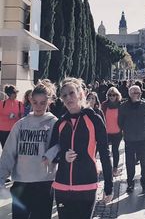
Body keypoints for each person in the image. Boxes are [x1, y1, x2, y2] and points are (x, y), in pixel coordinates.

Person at [49, 77, 113, 219]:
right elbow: (51, 152)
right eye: (64, 95)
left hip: (86, 184)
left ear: (80, 94)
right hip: (62, 185)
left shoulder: (94, 118)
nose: (68, 97)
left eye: (71, 93)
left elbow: (104, 153)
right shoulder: (60, 123)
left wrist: (109, 185)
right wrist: (62, 156)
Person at [0, 80, 58, 219]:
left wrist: (51, 154)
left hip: (44, 182)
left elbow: (61, 144)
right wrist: (1, 177)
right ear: (30, 100)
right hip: (21, 182)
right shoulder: (21, 124)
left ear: (49, 102)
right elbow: (9, 152)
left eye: (43, 103)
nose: (38, 106)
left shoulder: (54, 123)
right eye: (35, 102)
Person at [118, 85, 145, 193]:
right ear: (130, 94)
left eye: (138, 92)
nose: (137, 94)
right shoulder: (123, 106)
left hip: (142, 138)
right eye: (134, 92)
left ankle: (144, 181)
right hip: (130, 138)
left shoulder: (144, 105)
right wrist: (126, 130)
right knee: (130, 162)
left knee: (144, 161)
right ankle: (130, 182)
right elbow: (120, 122)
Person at [101, 87, 123, 177]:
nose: (112, 97)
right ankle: (107, 168)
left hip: (117, 132)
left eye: (113, 95)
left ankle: (115, 169)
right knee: (105, 152)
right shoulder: (104, 105)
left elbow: (123, 118)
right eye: (110, 95)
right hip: (106, 132)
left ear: (117, 96)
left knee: (115, 150)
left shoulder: (120, 105)